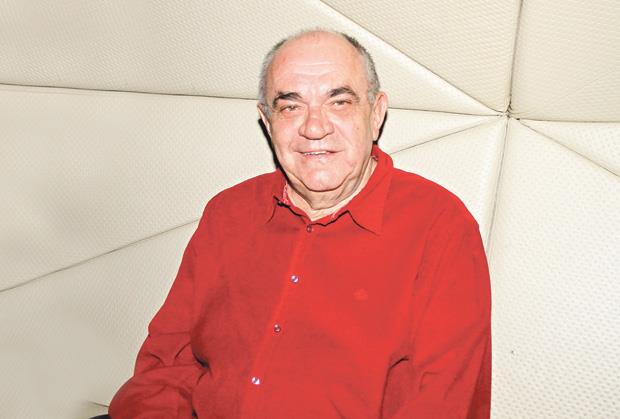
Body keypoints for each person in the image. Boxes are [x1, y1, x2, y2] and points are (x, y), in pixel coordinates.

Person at [109, 29, 491, 418]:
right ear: (267, 121)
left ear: (376, 114)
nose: (314, 127)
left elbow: (445, 403)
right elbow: (167, 369)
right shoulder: (228, 214)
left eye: (339, 102)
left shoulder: (439, 227)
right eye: (291, 107)